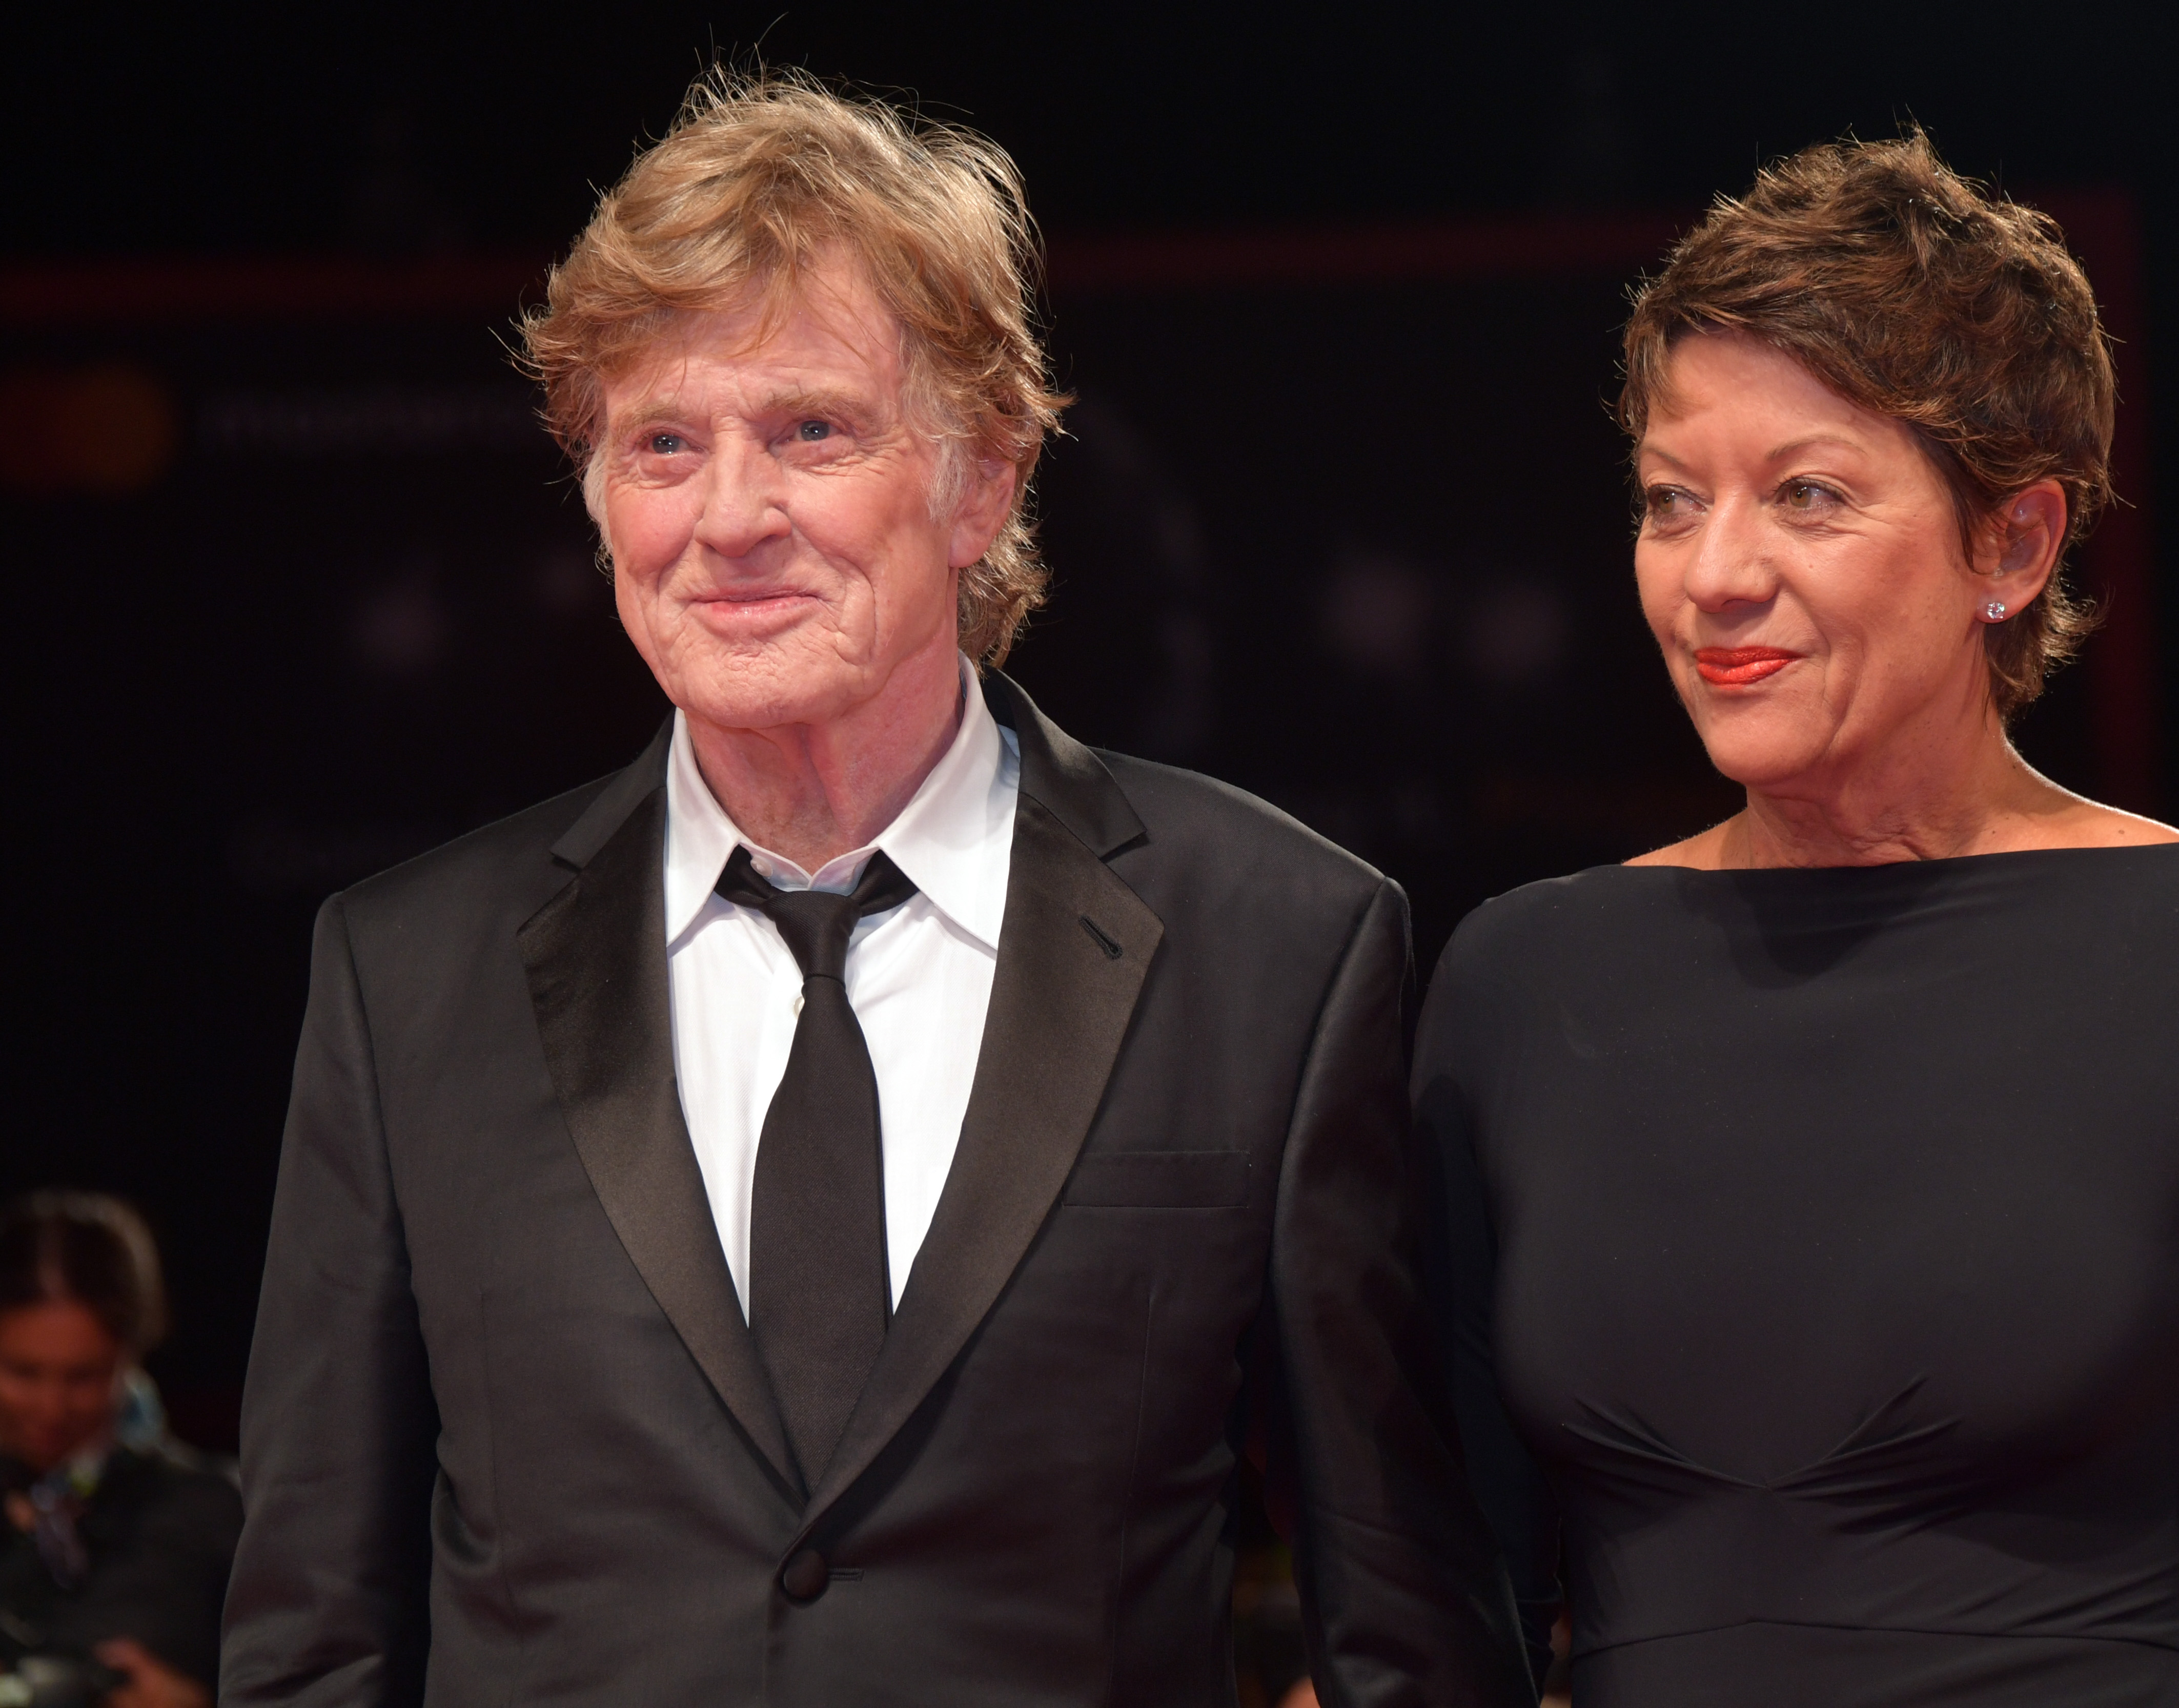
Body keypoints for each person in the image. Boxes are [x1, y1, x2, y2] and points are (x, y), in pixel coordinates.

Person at [220, 72, 1526, 1708]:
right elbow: (311, 1644)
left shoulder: (1279, 941)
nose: (728, 519)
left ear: (984, 476)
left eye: (810, 431)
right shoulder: (402, 976)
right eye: (663, 445)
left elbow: (1408, 1628)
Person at [1416, 132, 2179, 1706]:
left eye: (1807, 494)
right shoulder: (1520, 983)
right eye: (1671, 498)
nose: (1714, 573)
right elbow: (1460, 1608)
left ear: (2012, 545)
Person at [1, 1192, 240, 1708]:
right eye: (23, 1372)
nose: (51, 1407)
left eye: (83, 1376)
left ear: (132, 1352)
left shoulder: (208, 1513)